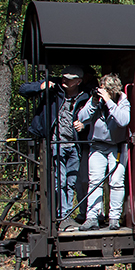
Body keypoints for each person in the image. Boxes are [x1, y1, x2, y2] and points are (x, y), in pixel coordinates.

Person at [19, 66, 91, 230]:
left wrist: (84, 125)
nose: (65, 80)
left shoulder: (85, 96)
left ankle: (67, 215)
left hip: (75, 145)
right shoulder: (54, 88)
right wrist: (41, 86)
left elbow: (94, 115)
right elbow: (23, 90)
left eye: (69, 79)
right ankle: (63, 216)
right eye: (64, 77)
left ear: (78, 81)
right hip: (56, 142)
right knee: (60, 180)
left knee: (71, 182)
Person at [75, 74, 131, 230]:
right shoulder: (96, 100)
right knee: (95, 182)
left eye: (105, 90)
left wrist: (108, 101)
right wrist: (94, 102)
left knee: (116, 182)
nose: (102, 92)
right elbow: (81, 117)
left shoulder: (123, 101)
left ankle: (114, 218)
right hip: (97, 146)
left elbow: (123, 120)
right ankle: (92, 217)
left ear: (113, 90)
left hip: (117, 147)